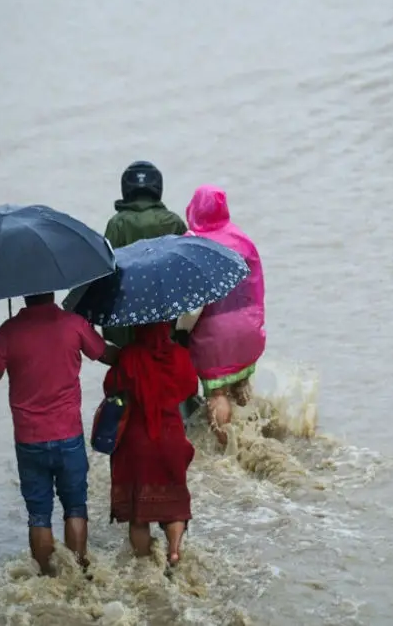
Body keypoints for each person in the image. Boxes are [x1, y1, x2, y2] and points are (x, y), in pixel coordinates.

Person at [0, 292, 119, 575]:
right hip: (68, 434)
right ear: (52, 291)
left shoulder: (8, 331)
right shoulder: (73, 324)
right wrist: (132, 353)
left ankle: (48, 579)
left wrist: (2, 348)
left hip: (29, 439)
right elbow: (103, 353)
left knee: (38, 514)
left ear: (22, 294)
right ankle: (80, 572)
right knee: (76, 507)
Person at [102, 321, 198, 566]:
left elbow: (110, 387)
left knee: (139, 514)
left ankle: (144, 562)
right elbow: (189, 388)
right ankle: (174, 551)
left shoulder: (129, 356)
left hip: (138, 443)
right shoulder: (179, 355)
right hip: (171, 439)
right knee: (174, 504)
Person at [177, 185, 267, 446]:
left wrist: (182, 330)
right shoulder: (242, 239)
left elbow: (193, 306)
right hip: (248, 327)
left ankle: (228, 450)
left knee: (217, 393)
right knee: (241, 386)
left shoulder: (193, 243)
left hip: (215, 335)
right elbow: (256, 286)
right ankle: (255, 437)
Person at [102, 160, 188, 349]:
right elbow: (186, 272)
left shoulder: (117, 223)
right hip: (166, 320)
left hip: (127, 322)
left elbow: (106, 271)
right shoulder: (173, 221)